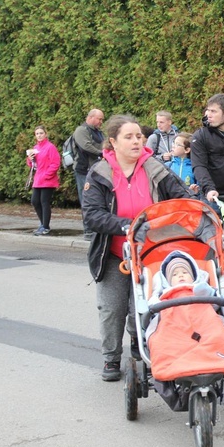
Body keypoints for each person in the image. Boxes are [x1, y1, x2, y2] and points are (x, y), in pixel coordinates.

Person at [83, 114, 192, 382]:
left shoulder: (153, 167)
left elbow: (184, 198)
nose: (136, 141)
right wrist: (129, 226)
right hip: (113, 254)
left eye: (138, 136)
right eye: (128, 137)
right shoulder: (99, 173)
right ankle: (111, 358)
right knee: (112, 308)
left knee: (144, 306)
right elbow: (92, 215)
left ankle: (139, 345)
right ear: (113, 142)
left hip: (151, 253)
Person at [73, 108, 105, 240]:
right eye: (100, 119)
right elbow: (86, 146)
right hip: (83, 170)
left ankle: (96, 229)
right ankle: (88, 230)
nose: (101, 122)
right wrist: (102, 153)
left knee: (97, 200)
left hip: (97, 169)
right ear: (91, 117)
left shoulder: (98, 132)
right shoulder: (81, 130)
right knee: (86, 200)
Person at [25, 125, 60, 236]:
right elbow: (32, 165)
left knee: (44, 202)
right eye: (37, 134)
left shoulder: (50, 147)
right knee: (35, 201)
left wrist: (47, 175)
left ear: (45, 134)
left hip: (47, 180)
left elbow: (55, 163)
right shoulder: (36, 148)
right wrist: (30, 159)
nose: (39, 135)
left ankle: (45, 226)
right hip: (38, 179)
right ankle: (43, 224)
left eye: (41, 133)